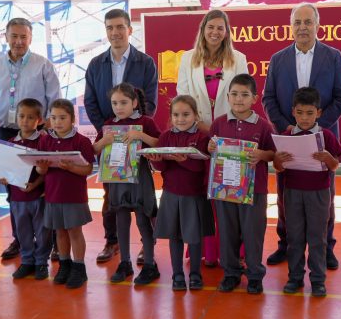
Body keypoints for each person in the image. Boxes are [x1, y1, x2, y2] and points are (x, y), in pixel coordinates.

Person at [262, 2, 341, 269]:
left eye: (308, 22)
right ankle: (285, 245)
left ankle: (326, 248)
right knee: (285, 195)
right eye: (297, 22)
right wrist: (287, 128)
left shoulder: (333, 56)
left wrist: (315, 127)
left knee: (325, 196)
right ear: (291, 26)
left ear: (317, 24)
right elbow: (268, 98)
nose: (302, 27)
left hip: (321, 139)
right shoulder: (278, 59)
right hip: (288, 138)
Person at [0, 17, 61, 261]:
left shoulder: (43, 65)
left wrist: (49, 130)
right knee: (14, 191)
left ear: (30, 38)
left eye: (24, 36)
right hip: (7, 134)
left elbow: (55, 99)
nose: (18, 41)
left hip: (38, 134)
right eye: (14, 36)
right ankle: (20, 238)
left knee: (44, 188)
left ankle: (54, 241)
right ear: (6, 37)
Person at [84, 9, 158, 264]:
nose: (114, 32)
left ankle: (146, 244)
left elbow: (150, 101)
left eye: (119, 27)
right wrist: (110, 130)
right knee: (111, 194)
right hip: (109, 141)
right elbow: (90, 101)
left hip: (136, 140)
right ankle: (112, 241)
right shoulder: (96, 64)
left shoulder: (145, 62)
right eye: (109, 28)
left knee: (142, 196)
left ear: (129, 29)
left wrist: (134, 130)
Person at [176, 9, 248, 268]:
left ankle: (234, 251)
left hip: (229, 136)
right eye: (211, 27)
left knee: (229, 194)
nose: (215, 32)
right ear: (203, 29)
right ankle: (208, 251)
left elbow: (243, 96)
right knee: (202, 195)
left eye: (220, 28)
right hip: (198, 135)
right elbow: (183, 96)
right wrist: (203, 127)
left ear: (226, 32)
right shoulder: (187, 58)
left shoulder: (238, 59)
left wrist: (221, 130)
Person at [208, 74, 276, 295]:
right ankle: (231, 273)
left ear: (254, 98)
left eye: (244, 95)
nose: (239, 99)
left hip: (254, 191)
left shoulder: (263, 126)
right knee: (227, 232)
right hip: (225, 189)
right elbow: (211, 149)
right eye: (234, 94)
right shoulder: (219, 123)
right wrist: (210, 148)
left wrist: (261, 154)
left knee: (253, 233)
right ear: (227, 97)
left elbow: (273, 154)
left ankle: (255, 275)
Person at [273, 88, 341, 297]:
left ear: (318, 113)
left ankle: (318, 280)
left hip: (319, 193)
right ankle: (295, 278)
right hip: (292, 192)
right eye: (300, 112)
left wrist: (328, 158)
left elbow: (335, 165)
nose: (304, 118)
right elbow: (278, 168)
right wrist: (278, 161)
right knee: (294, 237)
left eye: (310, 113)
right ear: (293, 111)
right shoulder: (286, 136)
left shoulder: (326, 136)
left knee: (317, 237)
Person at [93, 83, 161, 286]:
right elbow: (94, 149)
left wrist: (141, 136)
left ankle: (150, 264)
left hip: (140, 179)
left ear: (134, 102)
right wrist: (103, 142)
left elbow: (159, 143)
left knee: (143, 220)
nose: (118, 107)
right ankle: (125, 263)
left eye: (123, 102)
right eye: (114, 103)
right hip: (118, 181)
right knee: (121, 220)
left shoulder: (145, 122)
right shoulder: (109, 125)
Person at [146, 95, 214, 291]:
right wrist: (156, 160)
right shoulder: (165, 137)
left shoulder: (202, 138)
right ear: (171, 116)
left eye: (186, 114)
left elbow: (203, 168)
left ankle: (195, 274)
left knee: (194, 237)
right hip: (171, 194)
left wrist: (185, 161)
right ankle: (177, 275)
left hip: (194, 195)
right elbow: (162, 167)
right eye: (176, 115)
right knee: (174, 236)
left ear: (196, 115)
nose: (181, 119)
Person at [35, 100, 95, 289]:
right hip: (53, 195)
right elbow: (40, 170)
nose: (57, 122)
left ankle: (79, 268)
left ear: (72, 119)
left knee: (74, 232)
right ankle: (64, 264)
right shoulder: (45, 140)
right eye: (53, 118)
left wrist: (71, 167)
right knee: (59, 232)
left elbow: (87, 169)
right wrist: (41, 168)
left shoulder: (81, 141)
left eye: (62, 118)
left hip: (74, 196)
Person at [0, 98, 50, 281]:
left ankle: (41, 262)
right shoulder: (10, 142)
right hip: (17, 198)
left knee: (43, 231)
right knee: (23, 231)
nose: (25, 121)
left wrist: (35, 184)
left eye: (30, 117)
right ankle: (27, 261)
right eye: (21, 116)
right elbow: (5, 169)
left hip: (38, 196)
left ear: (39, 120)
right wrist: (3, 178)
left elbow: (48, 170)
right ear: (16, 118)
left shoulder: (44, 141)